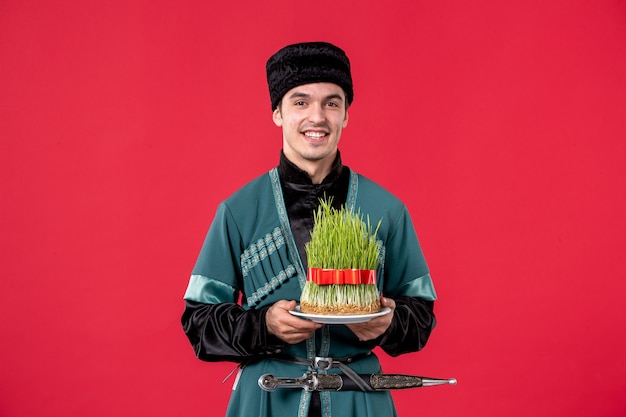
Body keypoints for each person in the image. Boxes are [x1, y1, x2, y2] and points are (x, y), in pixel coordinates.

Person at [181, 41, 437, 417]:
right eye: (300, 102)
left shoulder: (387, 210)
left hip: (359, 397)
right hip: (267, 398)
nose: (317, 117)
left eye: (331, 103)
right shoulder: (238, 211)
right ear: (277, 114)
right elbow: (198, 323)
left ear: (346, 115)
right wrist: (263, 325)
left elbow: (422, 318)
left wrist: (387, 324)